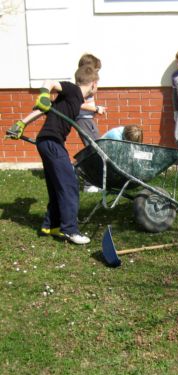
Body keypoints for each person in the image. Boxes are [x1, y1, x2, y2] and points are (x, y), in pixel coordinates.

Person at [7, 65, 100, 245]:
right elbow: (48, 82)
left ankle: (52, 225)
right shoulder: (72, 90)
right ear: (94, 84)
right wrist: (43, 94)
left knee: (57, 185)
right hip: (51, 142)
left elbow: (45, 108)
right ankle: (70, 230)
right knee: (69, 184)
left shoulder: (73, 98)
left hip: (47, 141)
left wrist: (21, 123)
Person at [76, 54, 106, 145]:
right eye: (96, 71)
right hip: (83, 119)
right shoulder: (82, 86)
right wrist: (96, 109)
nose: (97, 74)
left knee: (97, 144)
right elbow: (79, 104)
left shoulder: (86, 85)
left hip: (87, 118)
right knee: (94, 146)